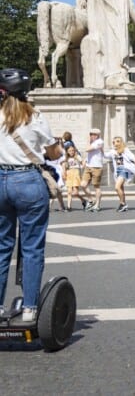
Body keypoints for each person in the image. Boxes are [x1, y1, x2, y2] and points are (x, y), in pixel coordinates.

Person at [0, 68, 62, 321]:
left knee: (2, 247)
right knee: (32, 247)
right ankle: (30, 307)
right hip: (27, 180)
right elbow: (54, 153)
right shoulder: (35, 116)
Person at [104, 136, 135, 213]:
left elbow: (133, 158)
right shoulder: (112, 152)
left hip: (125, 170)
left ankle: (122, 204)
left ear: (121, 142)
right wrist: (100, 149)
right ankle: (123, 204)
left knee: (117, 187)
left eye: (118, 141)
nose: (116, 143)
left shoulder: (125, 150)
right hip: (118, 171)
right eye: (114, 142)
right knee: (121, 188)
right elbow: (105, 155)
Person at [80, 128, 104, 212]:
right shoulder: (93, 142)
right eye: (90, 134)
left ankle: (97, 205)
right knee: (83, 184)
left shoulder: (99, 142)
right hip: (88, 166)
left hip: (97, 167)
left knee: (96, 186)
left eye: (93, 135)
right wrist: (85, 160)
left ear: (97, 135)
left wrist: (88, 141)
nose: (91, 136)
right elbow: (90, 154)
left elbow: (87, 149)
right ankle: (91, 200)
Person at [61, 144, 84, 211]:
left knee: (75, 192)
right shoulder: (66, 158)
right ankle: (69, 207)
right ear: (67, 151)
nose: (71, 152)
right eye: (70, 151)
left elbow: (83, 163)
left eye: (73, 150)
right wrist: (64, 173)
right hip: (69, 173)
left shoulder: (77, 157)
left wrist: (82, 168)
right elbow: (63, 166)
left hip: (76, 173)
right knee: (69, 191)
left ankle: (83, 200)